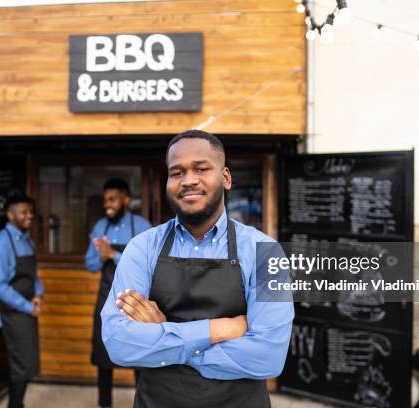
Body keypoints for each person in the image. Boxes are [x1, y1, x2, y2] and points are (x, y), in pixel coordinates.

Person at [101, 130, 294, 407]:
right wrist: (218, 329)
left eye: (201, 169)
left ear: (225, 177)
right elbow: (119, 343)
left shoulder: (265, 252)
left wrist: (166, 335)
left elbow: (268, 356)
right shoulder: (142, 248)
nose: (189, 180)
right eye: (177, 172)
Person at [86, 179, 151, 408]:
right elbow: (91, 264)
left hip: (135, 300)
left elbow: (146, 266)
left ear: (125, 199)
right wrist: (100, 257)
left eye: (112, 199)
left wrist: (112, 254)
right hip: (106, 300)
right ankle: (105, 405)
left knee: (139, 358)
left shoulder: (142, 226)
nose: (108, 205)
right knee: (103, 358)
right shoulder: (100, 227)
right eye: (105, 200)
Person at [0, 194, 43, 408]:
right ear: (10, 215)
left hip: (28, 309)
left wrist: (38, 294)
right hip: (11, 311)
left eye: (30, 211)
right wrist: (28, 306)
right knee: (21, 365)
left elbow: (34, 275)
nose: (29, 216)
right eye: (23, 212)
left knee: (27, 365)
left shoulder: (27, 241)